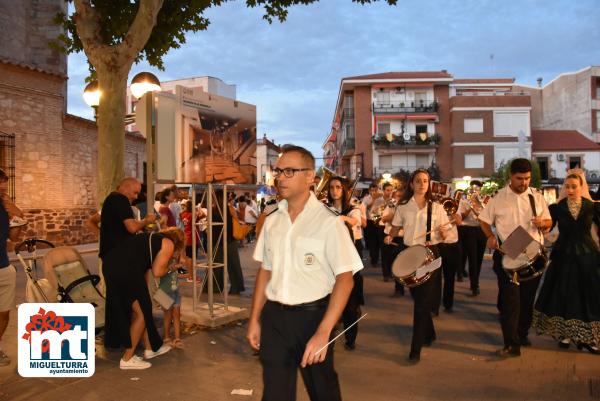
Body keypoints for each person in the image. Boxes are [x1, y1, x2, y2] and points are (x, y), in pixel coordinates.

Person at [247, 145, 363, 401]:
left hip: (313, 318)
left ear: (310, 176)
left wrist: (324, 332)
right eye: (278, 171)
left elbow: (345, 280)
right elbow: (265, 271)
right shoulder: (272, 219)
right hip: (275, 318)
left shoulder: (329, 222)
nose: (280, 178)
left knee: (323, 391)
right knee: (275, 393)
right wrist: (255, 318)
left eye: (289, 171)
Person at [479, 158, 552, 358]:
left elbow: (548, 221)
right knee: (511, 301)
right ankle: (511, 344)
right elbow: (484, 220)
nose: (524, 182)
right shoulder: (498, 198)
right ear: (511, 176)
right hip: (508, 252)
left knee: (527, 301)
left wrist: (543, 223)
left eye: (527, 178)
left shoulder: (536, 197)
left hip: (533, 254)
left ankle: (521, 334)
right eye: (520, 178)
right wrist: (490, 236)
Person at [532, 170, 600, 354]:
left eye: (573, 187)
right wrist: (541, 223)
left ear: (581, 187)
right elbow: (549, 225)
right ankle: (565, 334)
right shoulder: (557, 207)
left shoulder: (591, 207)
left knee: (589, 294)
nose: (570, 190)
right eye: (567, 186)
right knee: (564, 292)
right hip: (563, 256)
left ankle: (590, 338)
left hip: (587, 256)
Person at [387, 169, 450, 363]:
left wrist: (442, 232)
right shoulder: (403, 206)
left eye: (425, 181)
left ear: (429, 184)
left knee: (422, 303)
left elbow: (446, 235)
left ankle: (415, 350)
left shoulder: (437, 207)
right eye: (418, 181)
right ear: (412, 184)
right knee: (418, 299)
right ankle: (429, 333)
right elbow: (396, 227)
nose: (422, 184)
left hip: (430, 256)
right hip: (409, 254)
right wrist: (390, 235)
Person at [103, 228, 185, 369]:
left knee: (142, 309)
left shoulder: (151, 240)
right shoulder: (168, 244)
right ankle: (127, 359)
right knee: (142, 313)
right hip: (124, 270)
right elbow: (158, 272)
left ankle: (150, 348)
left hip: (112, 265)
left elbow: (145, 269)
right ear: (178, 243)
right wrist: (173, 267)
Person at [327, 176, 365, 351]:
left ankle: (351, 338)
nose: (334, 190)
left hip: (349, 261)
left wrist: (340, 218)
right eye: (332, 187)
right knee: (329, 302)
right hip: (330, 261)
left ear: (344, 190)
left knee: (350, 305)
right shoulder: (325, 209)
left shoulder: (353, 209)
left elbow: (355, 221)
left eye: (338, 187)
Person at [0, 169, 25, 366]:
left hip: (4, 267)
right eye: (0, 185)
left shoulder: (4, 207)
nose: (3, 189)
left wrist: (17, 217)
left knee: (4, 313)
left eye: (4, 186)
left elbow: (13, 239)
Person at [99, 177, 156, 260]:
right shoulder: (121, 199)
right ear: (125, 187)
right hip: (117, 255)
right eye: (135, 193)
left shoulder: (112, 199)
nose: (136, 197)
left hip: (112, 254)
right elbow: (132, 228)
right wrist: (146, 220)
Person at [159, 240, 192, 349]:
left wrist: (187, 263)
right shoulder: (165, 261)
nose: (178, 253)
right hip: (164, 292)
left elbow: (185, 274)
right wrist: (173, 267)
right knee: (167, 315)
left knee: (177, 314)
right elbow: (160, 273)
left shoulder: (176, 262)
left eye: (179, 251)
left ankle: (177, 338)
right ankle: (167, 337)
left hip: (175, 291)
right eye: (177, 251)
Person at [458, 180, 487, 295]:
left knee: (479, 258)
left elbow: (488, 218)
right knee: (472, 258)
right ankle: (474, 285)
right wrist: (470, 207)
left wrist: (479, 205)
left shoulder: (484, 202)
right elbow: (461, 217)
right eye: (473, 189)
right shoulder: (464, 201)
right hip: (468, 230)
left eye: (478, 188)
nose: (475, 191)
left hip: (481, 230)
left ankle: (476, 280)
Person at [382, 186, 407, 297]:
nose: (399, 199)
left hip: (403, 237)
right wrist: (395, 215)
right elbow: (383, 219)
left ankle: (402, 287)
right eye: (397, 196)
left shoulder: (408, 207)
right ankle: (398, 287)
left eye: (401, 197)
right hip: (391, 236)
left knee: (402, 264)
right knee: (394, 263)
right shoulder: (390, 206)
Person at [362, 183, 382, 266]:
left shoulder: (381, 197)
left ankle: (376, 257)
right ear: (369, 190)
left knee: (378, 241)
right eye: (372, 190)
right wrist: (373, 199)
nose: (374, 192)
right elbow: (367, 208)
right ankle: (374, 259)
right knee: (372, 241)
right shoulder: (366, 198)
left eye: (375, 190)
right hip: (370, 221)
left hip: (379, 221)